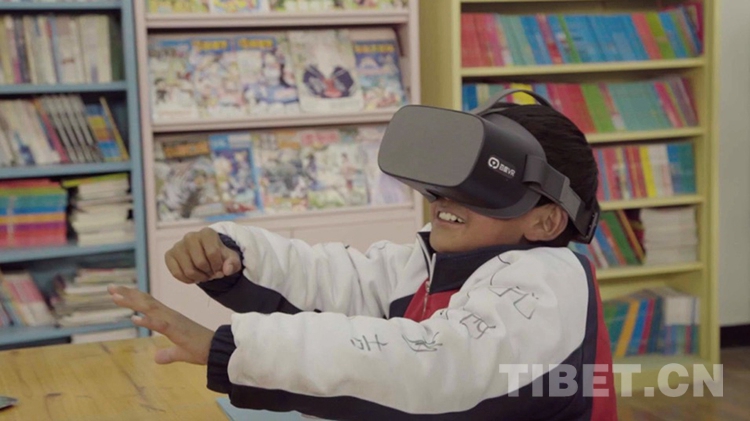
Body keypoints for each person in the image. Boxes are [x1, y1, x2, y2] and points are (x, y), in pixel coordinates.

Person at [109, 99, 617, 420]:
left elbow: (433, 365)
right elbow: (342, 280)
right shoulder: (430, 263)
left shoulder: (549, 285)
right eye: (446, 178)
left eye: (481, 187)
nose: (445, 197)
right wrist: (233, 254)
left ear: (546, 222)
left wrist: (236, 349)